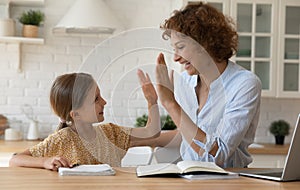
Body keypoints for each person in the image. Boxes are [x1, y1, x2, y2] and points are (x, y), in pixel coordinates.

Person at [139, 2, 262, 168]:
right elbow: (188, 134)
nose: (175, 57)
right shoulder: (185, 81)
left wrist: (170, 103)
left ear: (206, 44)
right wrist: (135, 140)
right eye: (174, 49)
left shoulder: (244, 84)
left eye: (180, 47)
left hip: (230, 184)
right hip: (188, 180)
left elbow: (219, 155)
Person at [9, 71, 160, 170]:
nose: (104, 102)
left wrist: (152, 101)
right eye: (96, 99)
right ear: (76, 114)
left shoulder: (111, 132)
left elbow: (152, 132)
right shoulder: (62, 139)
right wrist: (44, 162)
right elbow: (15, 160)